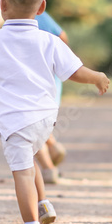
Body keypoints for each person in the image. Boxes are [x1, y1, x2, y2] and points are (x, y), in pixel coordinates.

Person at [0, 0, 110, 224]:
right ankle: (43, 203)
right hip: (45, 121)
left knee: (21, 172)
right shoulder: (49, 40)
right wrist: (97, 77)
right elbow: (74, 72)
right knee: (30, 160)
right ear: (42, 7)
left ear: (1, 4)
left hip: (15, 122)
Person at [34, 11, 69, 184]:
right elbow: (62, 36)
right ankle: (53, 146)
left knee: (32, 128)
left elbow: (62, 37)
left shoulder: (29, 15)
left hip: (36, 83)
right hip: (49, 82)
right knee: (39, 125)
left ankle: (48, 169)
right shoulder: (40, 14)